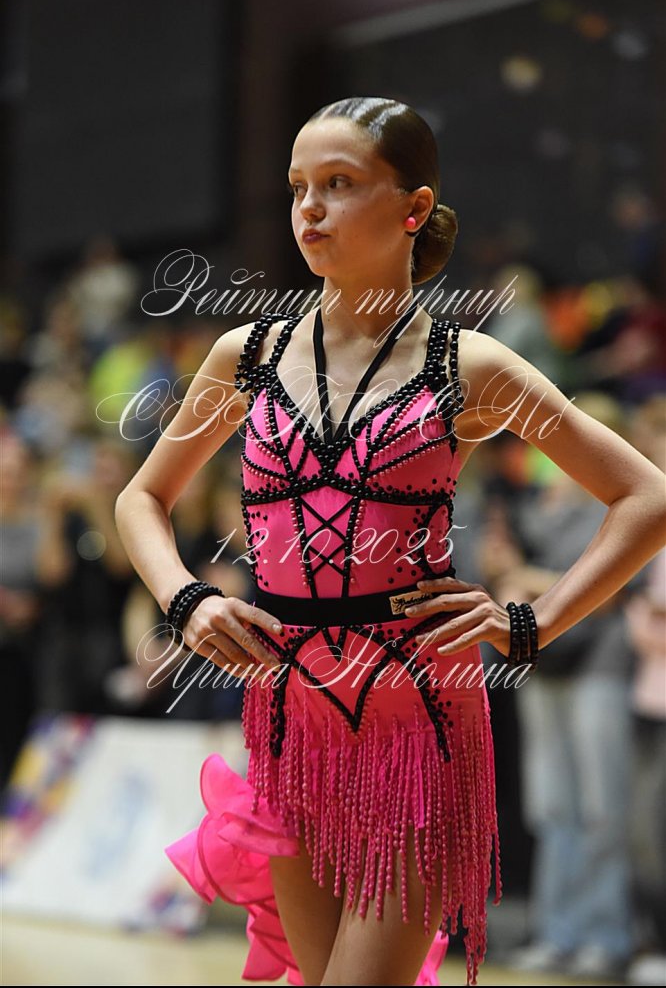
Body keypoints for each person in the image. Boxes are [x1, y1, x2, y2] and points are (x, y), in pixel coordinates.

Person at [114, 97, 666, 987]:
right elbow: (142, 497)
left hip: (416, 721)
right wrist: (187, 599)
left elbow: (646, 497)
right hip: (288, 717)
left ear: (414, 208)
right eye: (298, 187)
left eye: (338, 183)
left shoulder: (470, 365)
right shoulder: (245, 355)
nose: (310, 209)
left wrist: (531, 623)